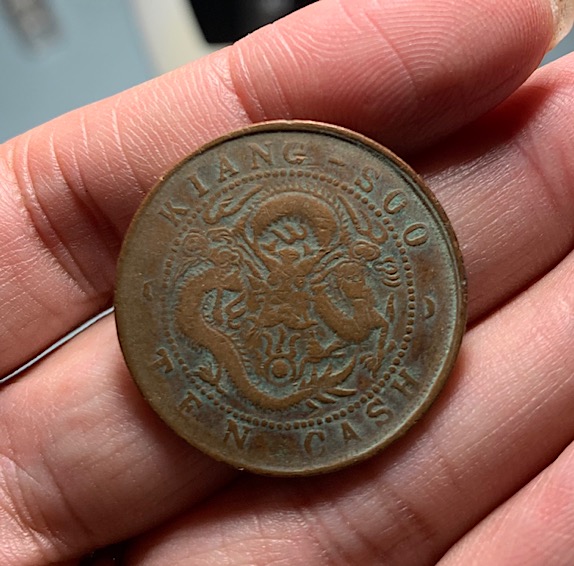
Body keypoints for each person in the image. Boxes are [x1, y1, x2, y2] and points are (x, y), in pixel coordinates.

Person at [1, 0, 573, 564]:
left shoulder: (335, 272)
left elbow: (361, 323)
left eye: (301, 238)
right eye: (278, 237)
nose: (289, 248)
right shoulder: (232, 270)